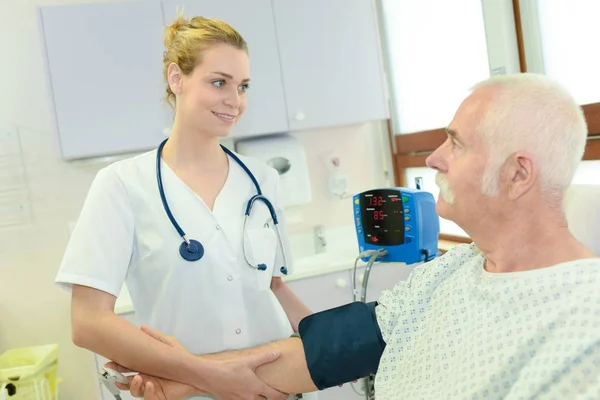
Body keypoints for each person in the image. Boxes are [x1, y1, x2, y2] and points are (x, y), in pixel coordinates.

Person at [108, 73, 600, 400]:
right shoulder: (450, 272)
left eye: (457, 143)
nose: (434, 158)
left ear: (518, 175)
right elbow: (325, 350)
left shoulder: (584, 324)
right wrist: (188, 373)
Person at [55, 11, 315, 400]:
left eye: (243, 86)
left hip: (275, 387)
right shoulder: (122, 185)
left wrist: (330, 347)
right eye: (218, 82)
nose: (235, 100)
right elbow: (88, 322)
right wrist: (209, 376)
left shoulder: (263, 179)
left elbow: (272, 285)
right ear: (177, 78)